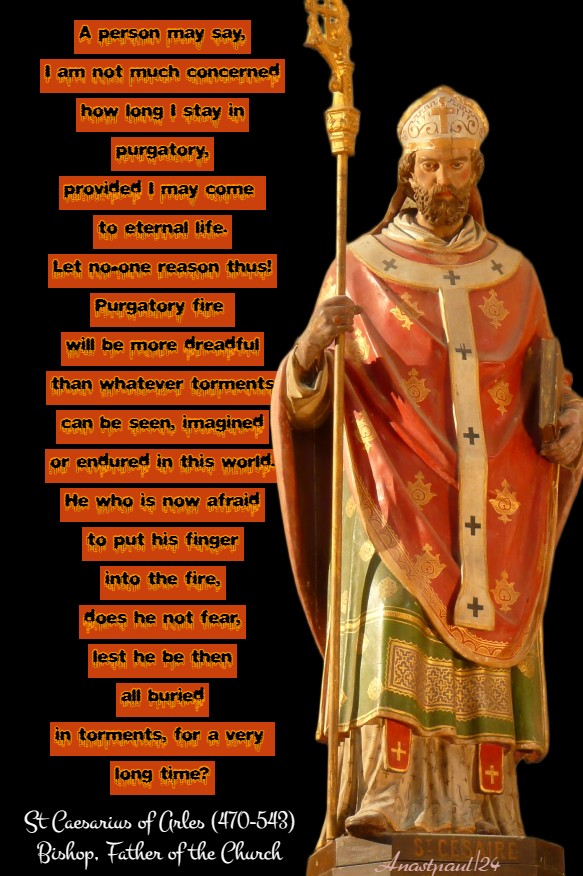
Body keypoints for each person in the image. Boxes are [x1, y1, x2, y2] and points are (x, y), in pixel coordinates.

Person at [272, 86, 583, 840]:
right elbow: (303, 399)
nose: (444, 180)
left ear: (477, 171)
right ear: (406, 172)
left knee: (487, 637)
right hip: (393, 491)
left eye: (458, 165)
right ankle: (385, 794)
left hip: (493, 498)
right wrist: (311, 350)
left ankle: (484, 814)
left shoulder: (514, 274)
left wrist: (568, 425)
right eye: (431, 166)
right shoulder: (358, 266)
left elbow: (548, 383)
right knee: (390, 616)